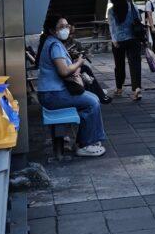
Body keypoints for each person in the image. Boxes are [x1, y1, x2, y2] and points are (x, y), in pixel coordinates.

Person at [36, 17, 106, 157]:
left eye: (67, 25)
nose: (66, 29)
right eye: (61, 26)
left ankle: (91, 138)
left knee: (92, 98)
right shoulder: (55, 45)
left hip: (51, 93)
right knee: (92, 102)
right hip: (53, 95)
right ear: (52, 30)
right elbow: (64, 71)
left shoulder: (52, 42)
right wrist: (79, 62)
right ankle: (85, 144)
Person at [108, 0, 143, 100]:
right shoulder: (132, 6)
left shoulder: (112, 10)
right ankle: (137, 88)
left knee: (119, 65)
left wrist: (114, 40)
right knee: (135, 64)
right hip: (133, 39)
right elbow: (139, 19)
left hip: (119, 41)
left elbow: (112, 27)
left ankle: (119, 88)